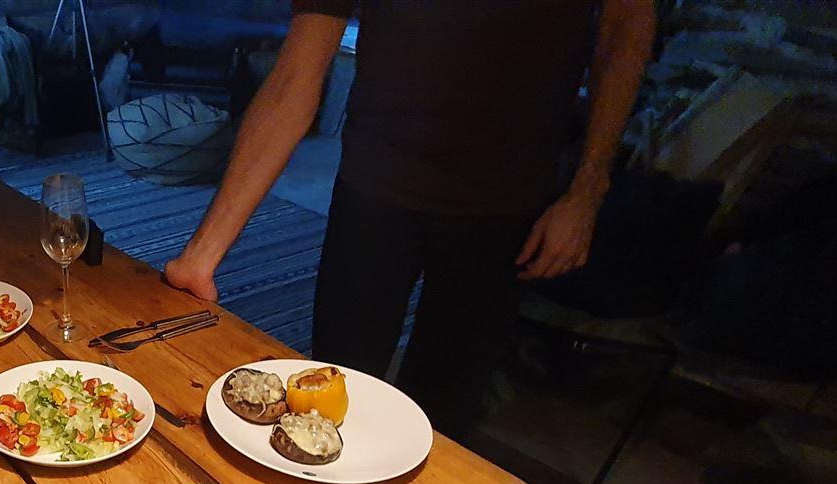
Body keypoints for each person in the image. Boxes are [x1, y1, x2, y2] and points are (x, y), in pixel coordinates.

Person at [164, 1, 655, 435]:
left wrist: (588, 187)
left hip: (507, 203)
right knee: (330, 392)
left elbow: (625, 26)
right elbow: (297, 73)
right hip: (375, 184)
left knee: (446, 413)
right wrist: (201, 256)